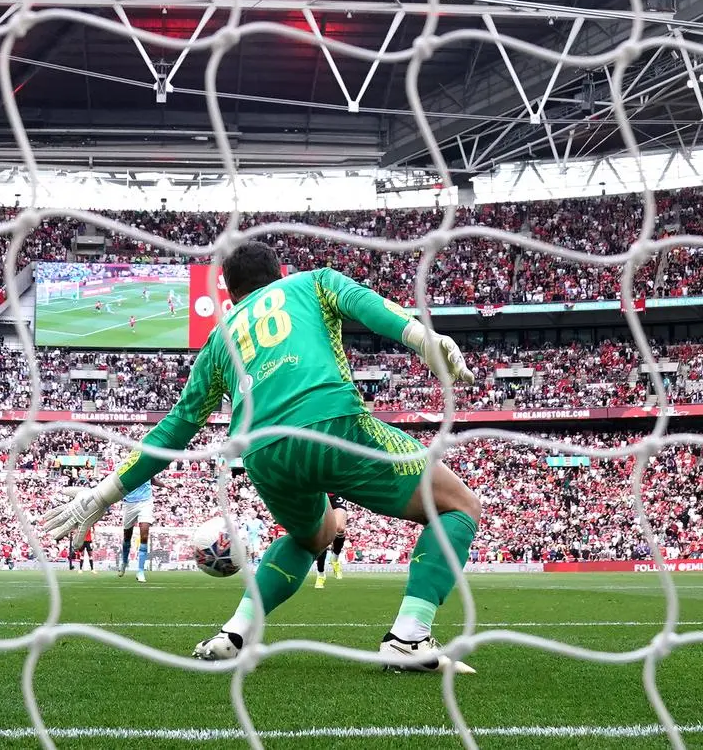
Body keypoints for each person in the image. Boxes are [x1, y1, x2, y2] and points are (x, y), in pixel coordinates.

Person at [43, 241, 480, 673]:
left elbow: (177, 427)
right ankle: (408, 635)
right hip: (333, 421)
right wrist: (420, 336)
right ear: (280, 275)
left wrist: (102, 495)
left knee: (315, 536)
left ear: (230, 295)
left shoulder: (220, 339)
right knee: (459, 506)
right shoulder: (313, 282)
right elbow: (363, 303)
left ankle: (234, 632)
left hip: (262, 453)